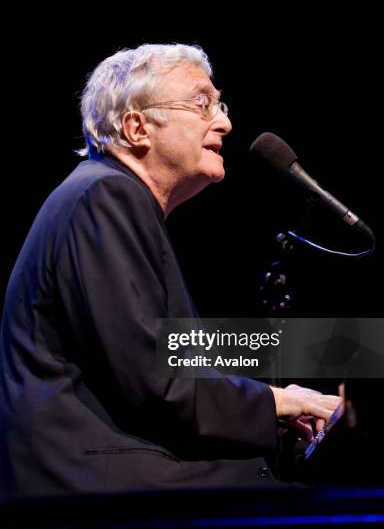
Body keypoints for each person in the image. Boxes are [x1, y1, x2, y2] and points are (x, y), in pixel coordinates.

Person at [0, 44, 340, 499]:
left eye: (220, 104)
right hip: (93, 482)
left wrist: (278, 405)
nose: (224, 122)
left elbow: (170, 362)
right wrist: (277, 402)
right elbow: (151, 379)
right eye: (202, 104)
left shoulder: (107, 196)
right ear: (137, 127)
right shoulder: (105, 197)